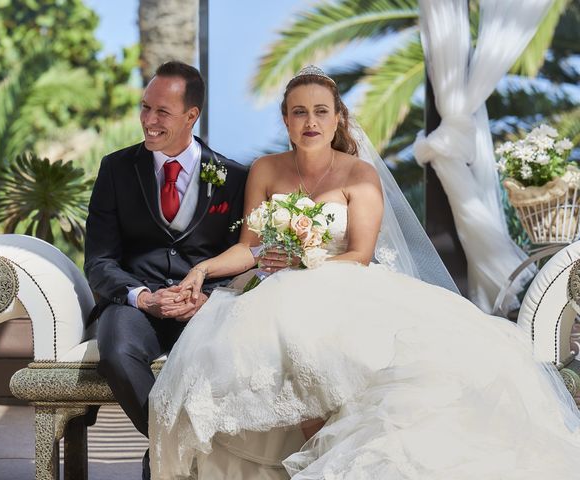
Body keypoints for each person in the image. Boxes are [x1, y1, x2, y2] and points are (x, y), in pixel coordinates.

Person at [147, 66, 580, 479]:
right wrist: (204, 268)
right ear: (286, 120)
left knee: (330, 353)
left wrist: (302, 260)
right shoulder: (266, 169)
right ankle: (305, 464)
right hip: (273, 289)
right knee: (264, 345)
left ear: (338, 119)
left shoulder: (360, 174)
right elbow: (250, 247)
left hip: (341, 283)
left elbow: (359, 253)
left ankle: (338, 464)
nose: (310, 121)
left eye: (320, 111)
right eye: (299, 112)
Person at [83, 61, 247, 479]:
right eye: (144, 108)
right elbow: (99, 261)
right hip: (135, 305)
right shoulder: (116, 169)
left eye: (162, 112)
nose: (148, 121)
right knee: (117, 353)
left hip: (205, 307)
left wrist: (210, 297)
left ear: (192, 116)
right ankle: (173, 446)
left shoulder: (234, 177)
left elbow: (243, 255)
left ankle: (162, 457)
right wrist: (142, 296)